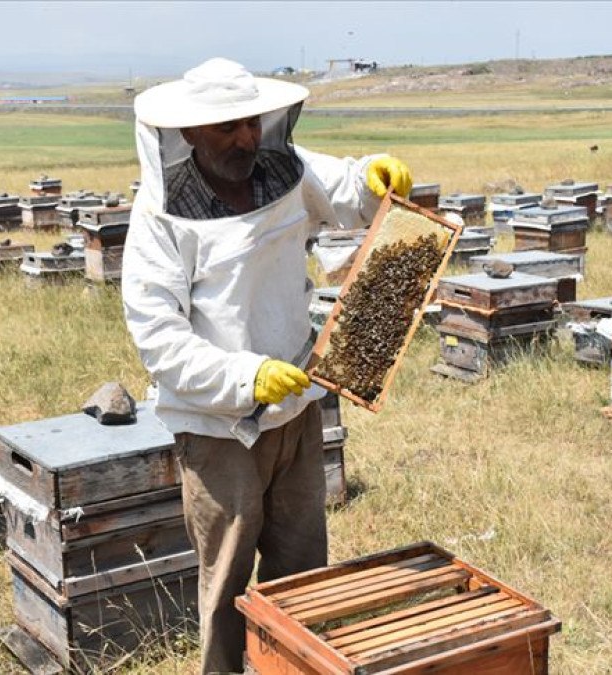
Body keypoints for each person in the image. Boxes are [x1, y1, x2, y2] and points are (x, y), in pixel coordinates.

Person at [122, 57, 411, 674]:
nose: (247, 139)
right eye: (228, 129)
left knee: (303, 564)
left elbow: (344, 191)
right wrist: (243, 378)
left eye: (252, 124)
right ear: (190, 133)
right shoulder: (158, 219)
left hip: (298, 406)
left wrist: (372, 178)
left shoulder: (283, 168)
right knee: (227, 580)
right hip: (216, 427)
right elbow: (159, 338)